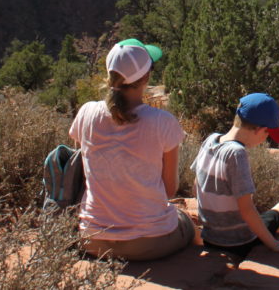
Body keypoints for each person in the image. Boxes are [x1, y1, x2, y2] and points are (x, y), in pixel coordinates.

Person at [69, 38, 197, 261]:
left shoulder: (87, 113)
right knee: (187, 223)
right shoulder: (162, 121)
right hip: (149, 241)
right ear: (146, 77)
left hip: (92, 239)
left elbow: (84, 166)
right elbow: (169, 190)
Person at [192, 93, 279, 258]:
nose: (266, 139)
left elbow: (196, 186)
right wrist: (275, 245)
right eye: (267, 134)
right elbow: (247, 210)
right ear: (259, 129)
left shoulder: (211, 140)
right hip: (240, 242)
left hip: (210, 238)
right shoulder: (237, 153)